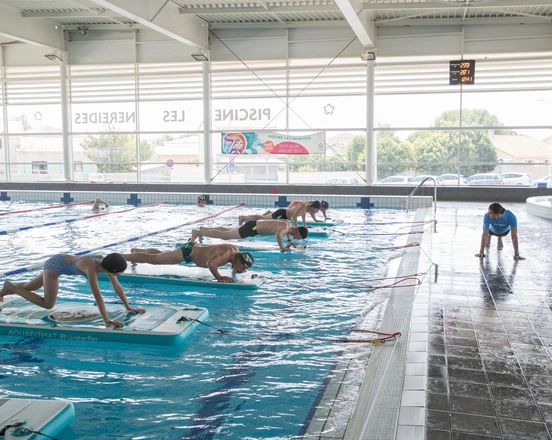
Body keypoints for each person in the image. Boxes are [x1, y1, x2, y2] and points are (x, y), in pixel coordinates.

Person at [0, 253, 143, 327]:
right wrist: (107, 321)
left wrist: (128, 307)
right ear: (113, 270)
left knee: (29, 288)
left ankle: (3, 291)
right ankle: (12, 287)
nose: (122, 273)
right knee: (48, 304)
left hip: (59, 260)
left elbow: (117, 287)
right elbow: (97, 295)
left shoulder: (106, 262)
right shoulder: (91, 267)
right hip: (54, 267)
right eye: (121, 272)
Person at [122, 243, 254, 283]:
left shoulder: (235, 253)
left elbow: (231, 262)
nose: (243, 271)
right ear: (238, 260)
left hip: (192, 250)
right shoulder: (226, 254)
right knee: (156, 260)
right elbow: (210, 263)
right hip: (188, 253)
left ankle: (137, 251)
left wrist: (235, 269)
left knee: (161, 255)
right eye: (243, 268)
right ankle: (124, 257)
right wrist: (219, 278)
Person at [191, 219, 309, 253]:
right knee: (225, 236)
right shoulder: (286, 228)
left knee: (226, 230)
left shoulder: (287, 224)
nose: (298, 239)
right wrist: (282, 247)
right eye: (300, 237)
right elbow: (279, 235)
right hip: (252, 229)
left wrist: (288, 241)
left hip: (253, 225)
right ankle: (198, 233)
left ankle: (204, 229)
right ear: (298, 232)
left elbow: (285, 232)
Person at [239, 201, 322, 228]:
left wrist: (304, 226)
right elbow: (294, 217)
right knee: (262, 218)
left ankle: (245, 218)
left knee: (263, 218)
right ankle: (244, 217)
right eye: (317, 210)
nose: (317, 212)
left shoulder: (307, 209)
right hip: (282, 214)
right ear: (314, 208)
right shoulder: (303, 206)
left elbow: (303, 215)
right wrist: (296, 228)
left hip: (284, 216)